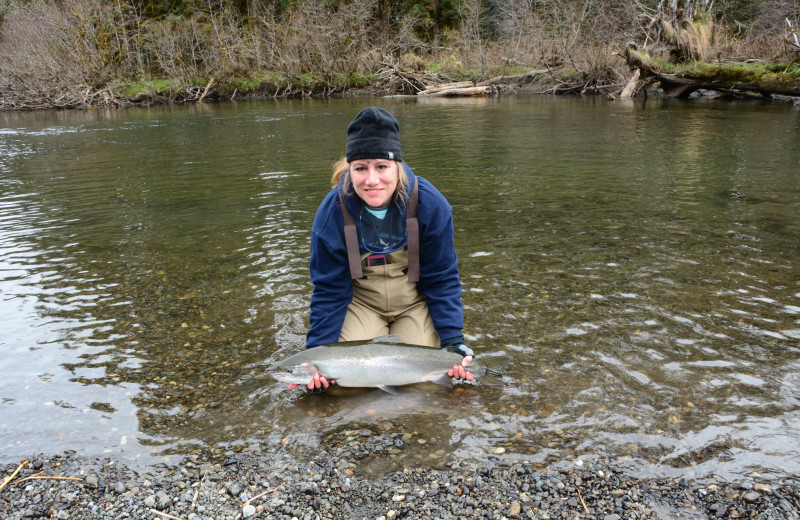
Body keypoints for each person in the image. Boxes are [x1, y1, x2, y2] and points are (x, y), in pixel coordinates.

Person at [292, 106, 473, 391]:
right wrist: (315, 354)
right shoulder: (331, 214)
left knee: (424, 383)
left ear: (397, 166)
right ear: (349, 170)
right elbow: (329, 289)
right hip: (361, 305)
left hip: (414, 303)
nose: (372, 180)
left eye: (382, 167)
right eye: (361, 168)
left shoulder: (431, 205)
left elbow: (442, 278)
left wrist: (453, 339)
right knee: (345, 382)